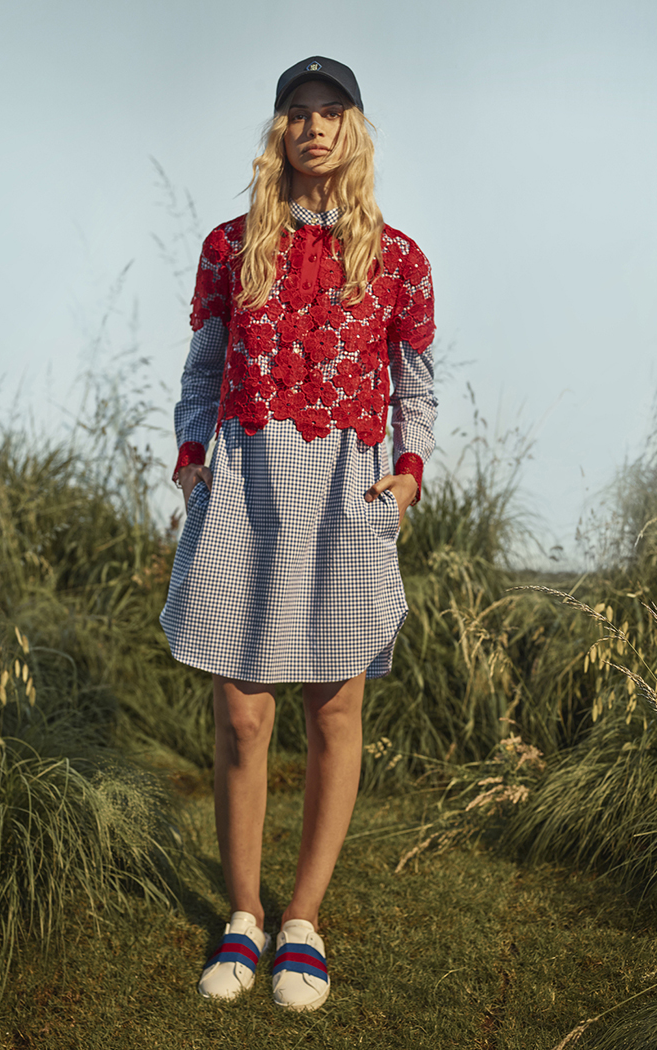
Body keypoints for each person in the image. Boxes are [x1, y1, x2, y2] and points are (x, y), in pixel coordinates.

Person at [160, 56, 436, 1011]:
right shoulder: (229, 246)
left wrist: (408, 475)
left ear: (353, 129)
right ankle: (243, 913)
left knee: (332, 712)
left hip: (349, 491)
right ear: (278, 131)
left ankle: (303, 921)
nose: (313, 127)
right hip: (245, 482)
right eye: (297, 112)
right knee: (242, 714)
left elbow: (416, 387)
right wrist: (190, 456)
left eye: (331, 111)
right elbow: (203, 368)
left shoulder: (399, 258)